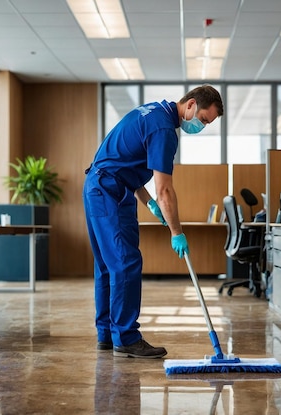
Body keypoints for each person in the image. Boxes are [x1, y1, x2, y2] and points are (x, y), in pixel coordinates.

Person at [83, 85, 224, 358]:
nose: (201, 127)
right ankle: (125, 338)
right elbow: (165, 190)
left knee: (107, 265)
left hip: (101, 186)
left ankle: (107, 335)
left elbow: (126, 165)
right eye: (204, 120)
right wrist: (176, 232)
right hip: (109, 190)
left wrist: (147, 202)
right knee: (126, 262)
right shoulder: (163, 131)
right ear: (191, 104)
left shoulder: (152, 111)